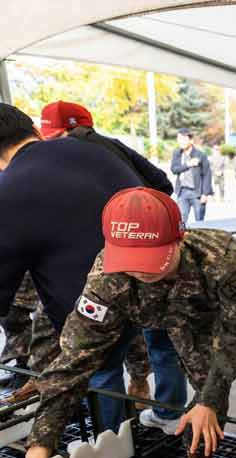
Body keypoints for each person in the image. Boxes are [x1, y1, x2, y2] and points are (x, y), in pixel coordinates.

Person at [0, 187, 236, 458]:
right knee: (205, 396)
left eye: (152, 259)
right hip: (180, 325)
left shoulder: (221, 256)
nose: (142, 271)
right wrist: (39, 449)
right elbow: (76, 359)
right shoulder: (108, 277)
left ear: (179, 238)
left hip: (235, 320)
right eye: (131, 261)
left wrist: (210, 397)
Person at [0, 103, 183, 433]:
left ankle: (114, 446)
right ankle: (170, 417)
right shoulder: (93, 150)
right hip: (157, 271)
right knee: (162, 346)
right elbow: (157, 187)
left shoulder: (8, 190)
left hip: (95, 301)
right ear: (35, 131)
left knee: (102, 371)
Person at [41, 100, 173, 195]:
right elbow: (163, 183)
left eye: (56, 136)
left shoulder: (77, 149)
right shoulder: (114, 144)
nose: (52, 143)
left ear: (77, 130)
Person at [170, 129, 212, 223]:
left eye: (184, 139)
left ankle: (199, 238)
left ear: (191, 140)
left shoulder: (200, 155)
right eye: (179, 139)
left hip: (197, 193)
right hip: (182, 192)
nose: (181, 142)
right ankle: (182, 238)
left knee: (199, 222)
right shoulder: (177, 154)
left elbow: (207, 175)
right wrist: (188, 164)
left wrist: (205, 194)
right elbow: (174, 169)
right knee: (181, 221)